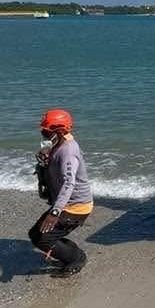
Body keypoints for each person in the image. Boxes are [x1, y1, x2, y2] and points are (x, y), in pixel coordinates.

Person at [28, 108, 93, 276]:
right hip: (65, 203)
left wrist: (55, 211)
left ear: (60, 131)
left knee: (43, 239)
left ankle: (76, 258)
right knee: (35, 234)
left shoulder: (68, 152)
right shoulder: (59, 142)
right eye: (43, 131)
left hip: (75, 207)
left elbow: (69, 182)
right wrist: (45, 161)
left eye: (47, 132)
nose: (44, 135)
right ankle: (68, 251)